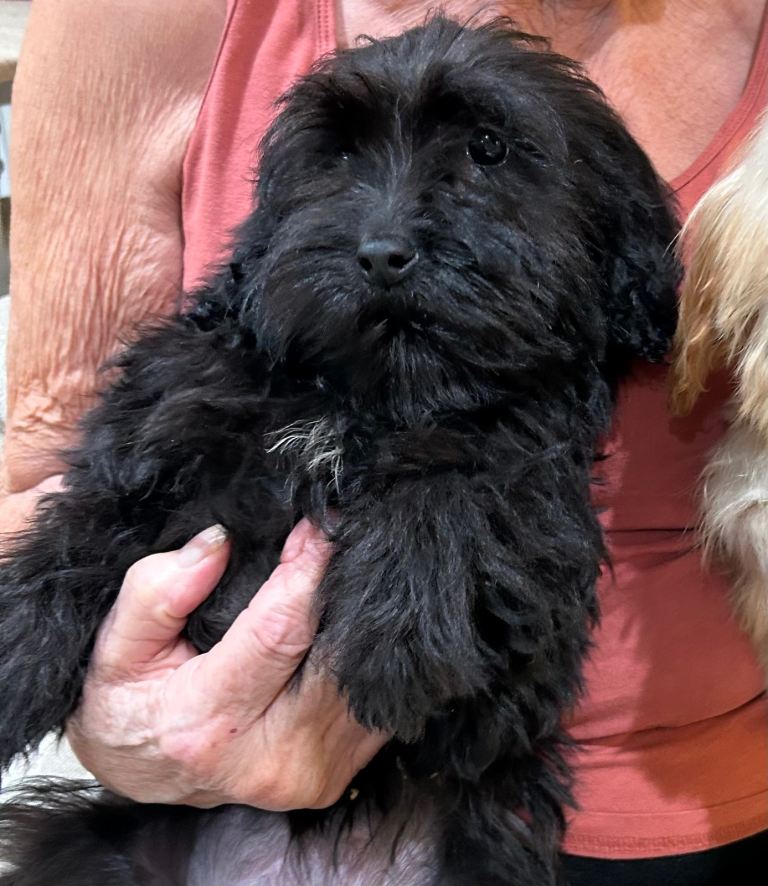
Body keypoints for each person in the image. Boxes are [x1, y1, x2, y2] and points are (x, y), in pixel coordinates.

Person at [2, 0, 766, 882]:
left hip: (545, 815)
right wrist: (128, 721)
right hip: (162, 831)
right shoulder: (216, 366)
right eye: (341, 155)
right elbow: (59, 471)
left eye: (482, 157)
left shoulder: (520, 437)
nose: (384, 238)